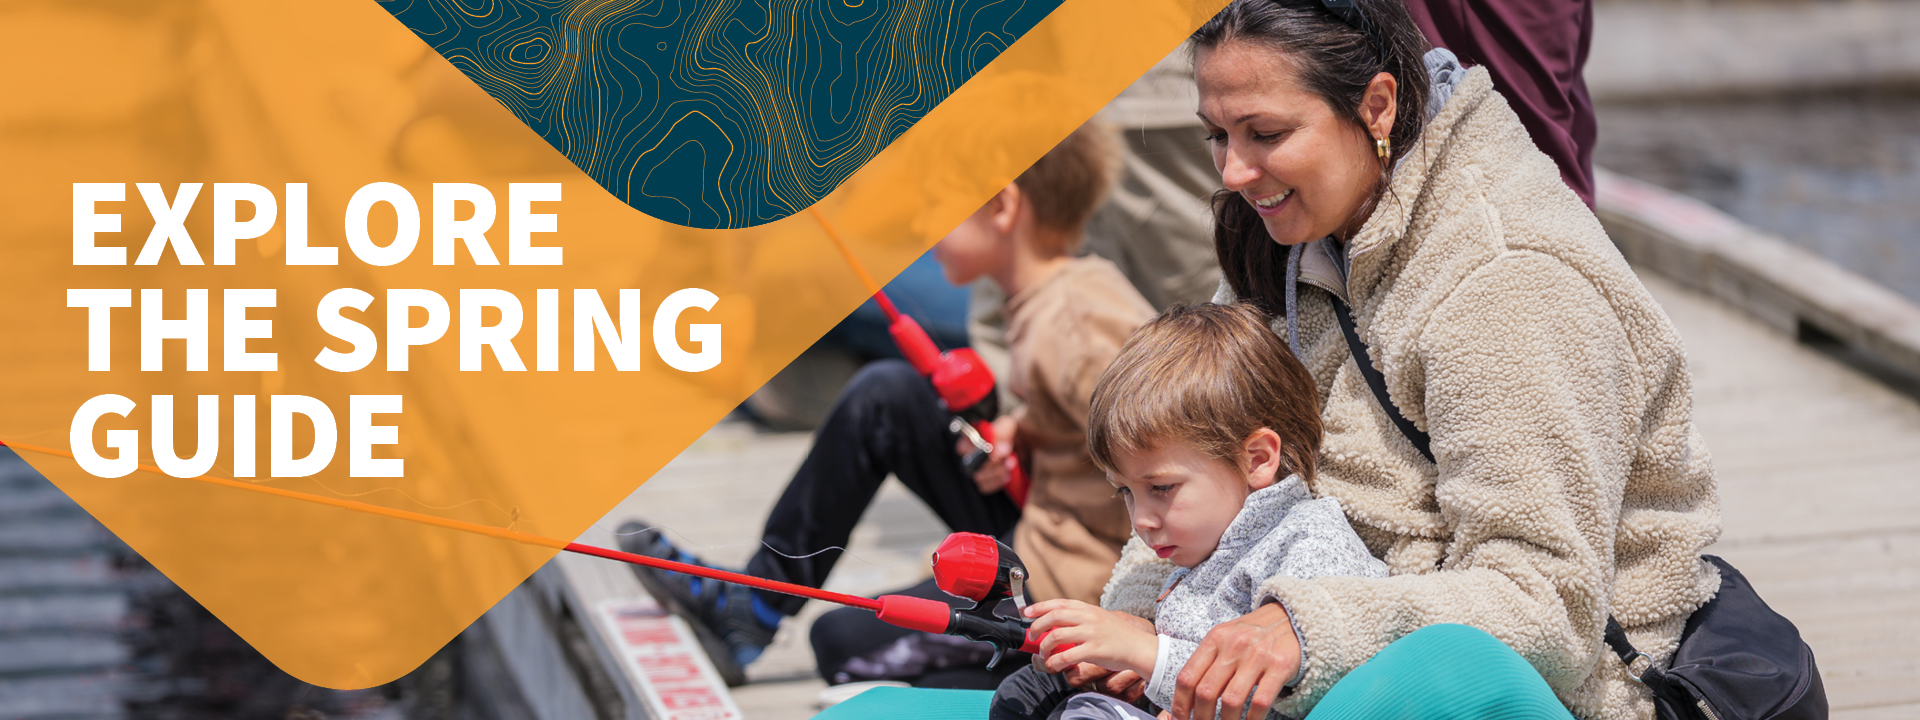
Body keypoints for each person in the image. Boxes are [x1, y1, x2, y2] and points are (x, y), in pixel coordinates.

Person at [1087, 2, 1720, 719]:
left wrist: (1300, 627)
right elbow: (1187, 443)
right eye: (1217, 135)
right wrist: (1141, 623)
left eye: (1264, 133)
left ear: (1378, 106)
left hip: (1533, 692)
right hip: (1315, 652)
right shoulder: (1285, 233)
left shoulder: (1508, 278)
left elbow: (1546, 608)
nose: (1234, 171)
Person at [620, 118, 1158, 688]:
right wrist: (1024, 433)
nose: (923, 225)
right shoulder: (1059, 296)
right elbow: (1081, 420)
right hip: (1040, 523)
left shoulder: (1076, 327)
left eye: (936, 206)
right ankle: (753, 606)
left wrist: (1127, 629)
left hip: (1066, 588)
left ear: (1001, 207)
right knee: (886, 395)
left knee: (841, 647)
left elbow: (1159, 455)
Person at [987, 302, 1389, 720]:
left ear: (1256, 459)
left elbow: (1284, 694)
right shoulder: (1209, 544)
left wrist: (1146, 653)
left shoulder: (1311, 543)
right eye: (1125, 491)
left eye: (1161, 487)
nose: (1141, 520)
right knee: (1026, 694)